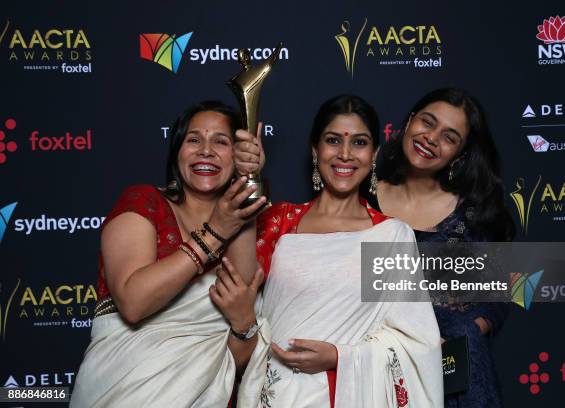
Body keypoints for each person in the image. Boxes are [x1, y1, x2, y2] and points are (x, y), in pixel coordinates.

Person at [234, 95, 443, 407]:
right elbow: (240, 286)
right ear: (315, 151)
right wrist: (246, 179)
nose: (345, 154)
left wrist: (338, 356)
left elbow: (417, 342)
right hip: (277, 394)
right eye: (333, 141)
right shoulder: (281, 221)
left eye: (359, 143)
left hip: (346, 395)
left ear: (374, 154)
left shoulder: (387, 235)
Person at [70, 101, 270, 408]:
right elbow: (133, 304)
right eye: (194, 140)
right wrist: (214, 232)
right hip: (126, 391)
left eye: (221, 141)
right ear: (177, 153)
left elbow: (232, 362)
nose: (206, 150)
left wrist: (244, 326)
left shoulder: (247, 230)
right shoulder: (144, 201)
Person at [370, 88, 515, 407]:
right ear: (409, 122)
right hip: (372, 370)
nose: (431, 138)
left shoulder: (475, 215)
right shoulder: (360, 198)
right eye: (427, 122)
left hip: (452, 379)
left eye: (449, 137)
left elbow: (499, 296)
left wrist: (461, 337)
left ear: (460, 155)